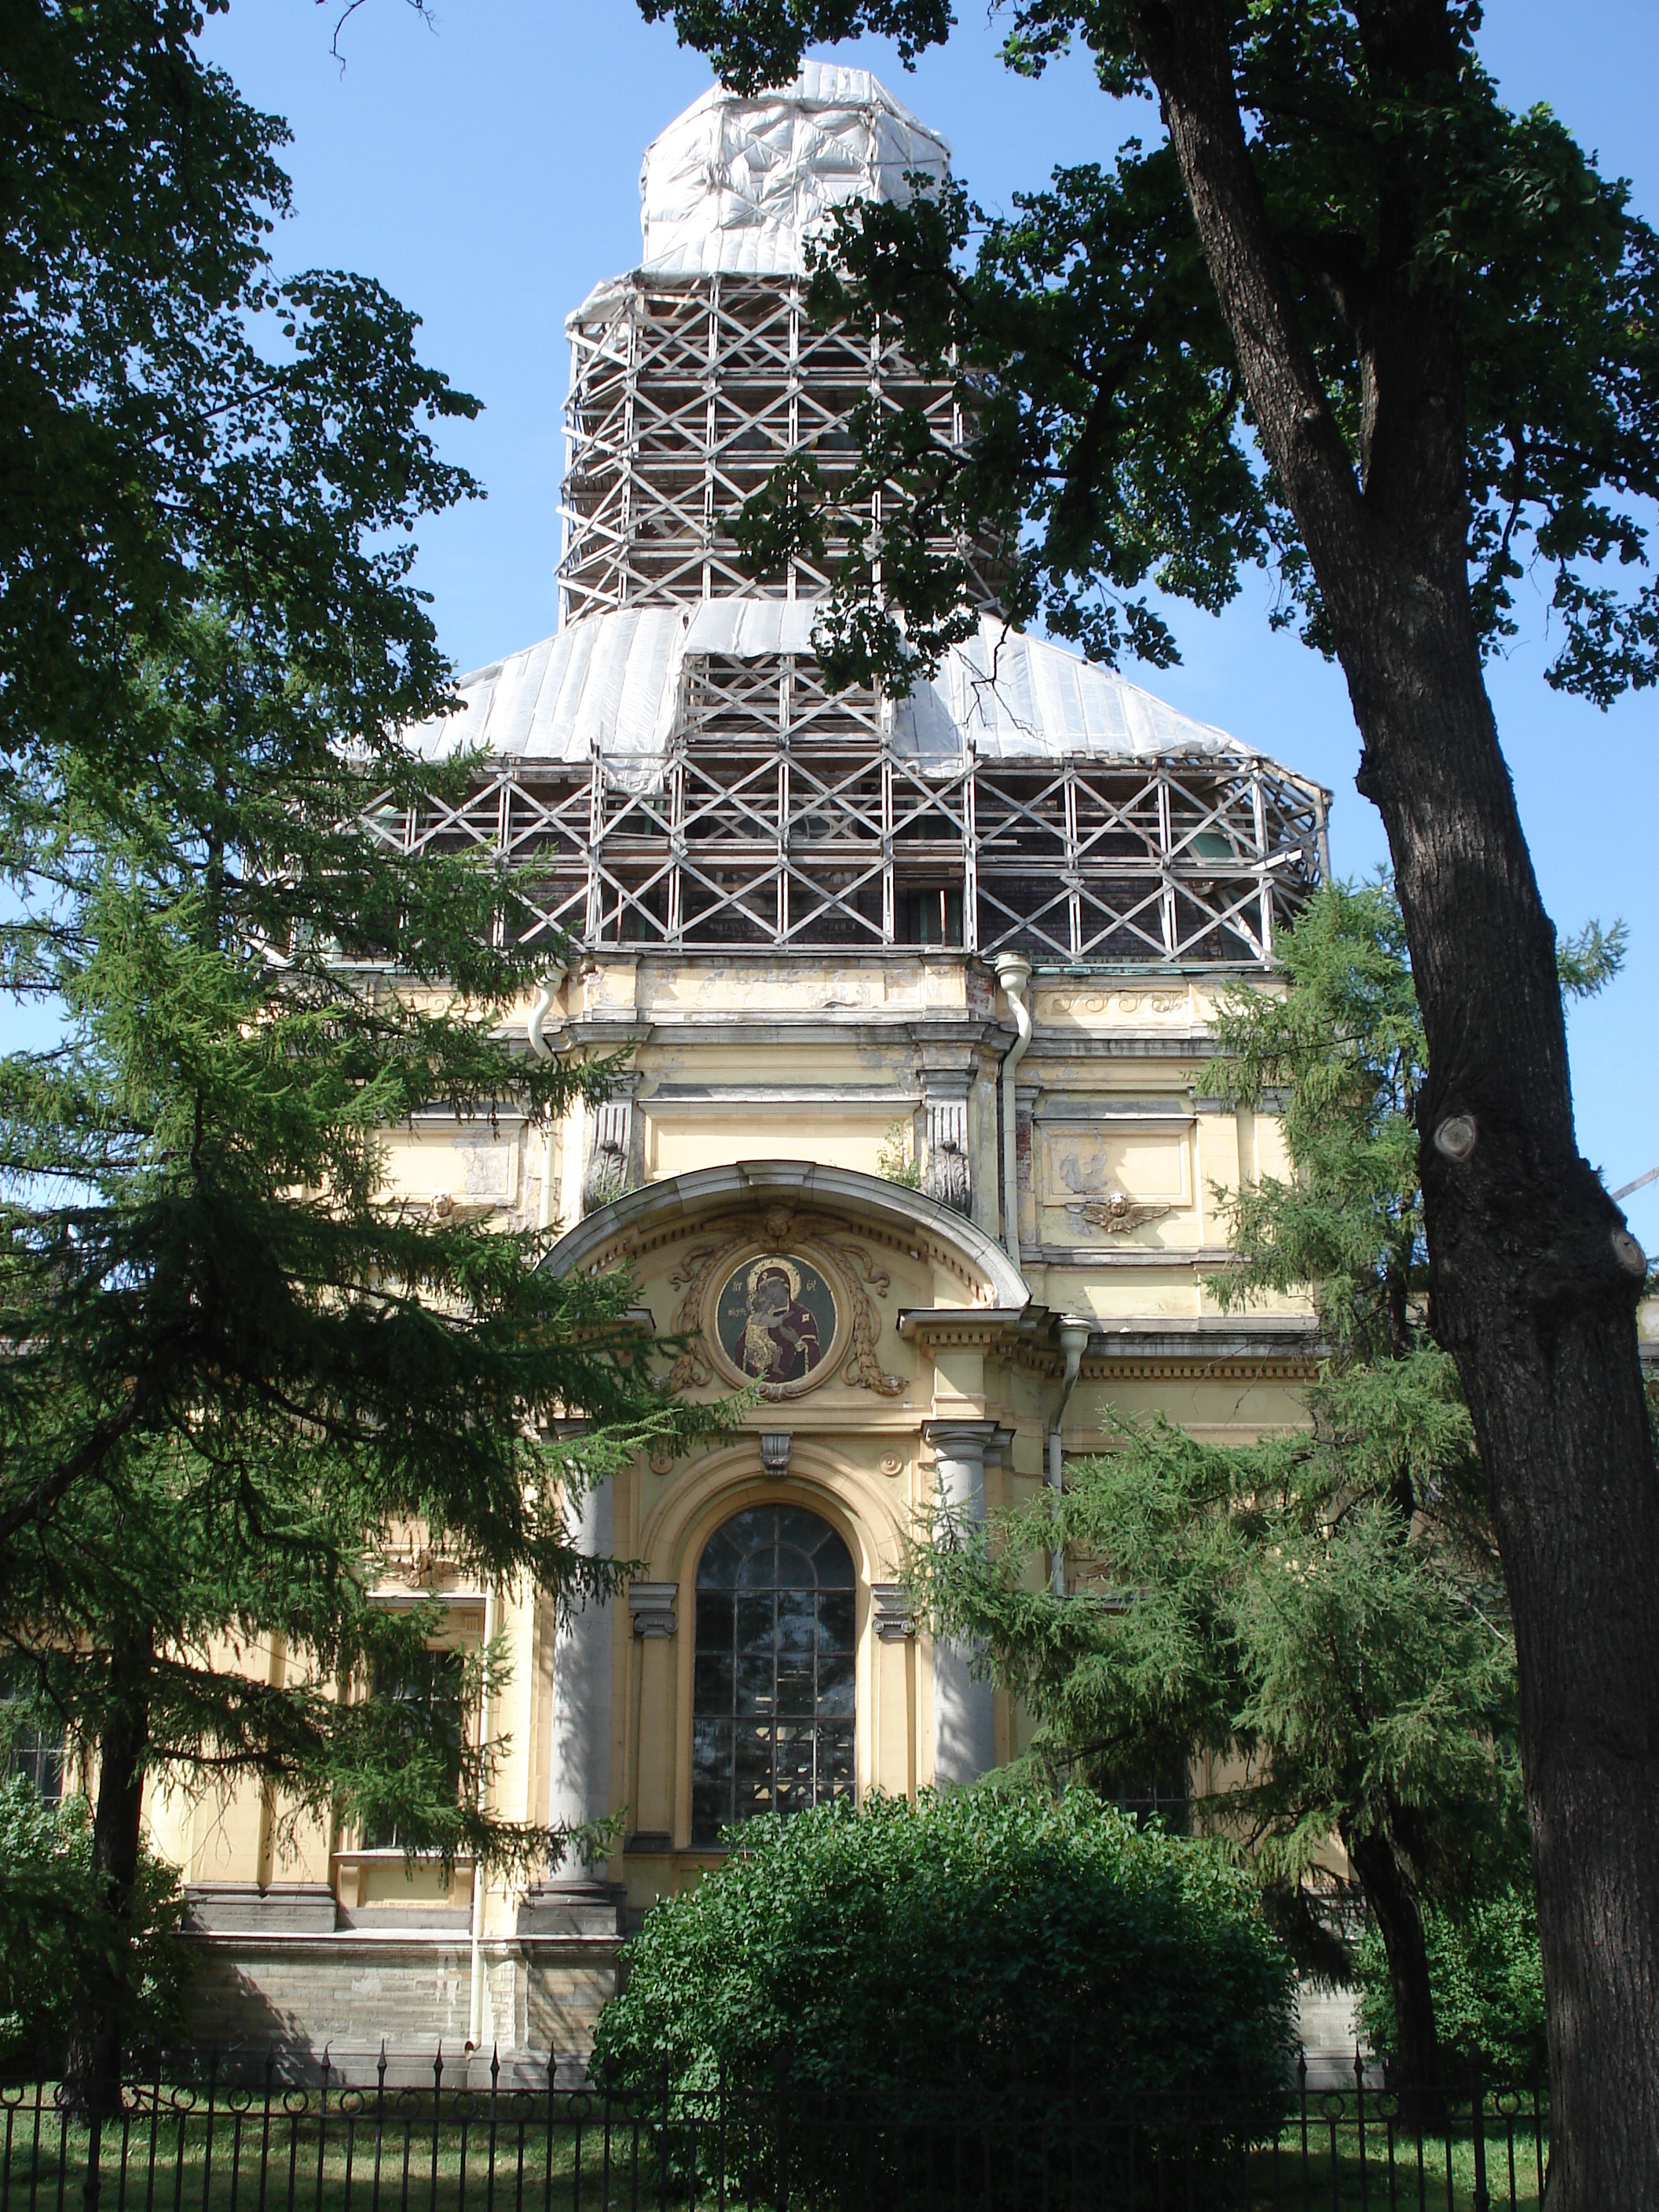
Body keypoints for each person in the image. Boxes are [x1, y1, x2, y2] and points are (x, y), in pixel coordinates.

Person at [739, 1261, 822, 1382]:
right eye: (764, 1289)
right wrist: (749, 1353)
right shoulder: (759, 1318)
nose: (769, 1293)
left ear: (786, 1286)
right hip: (761, 1377)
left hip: (794, 1380)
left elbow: (813, 1352)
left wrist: (797, 1342)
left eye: (773, 1285)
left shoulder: (802, 1315)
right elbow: (743, 1347)